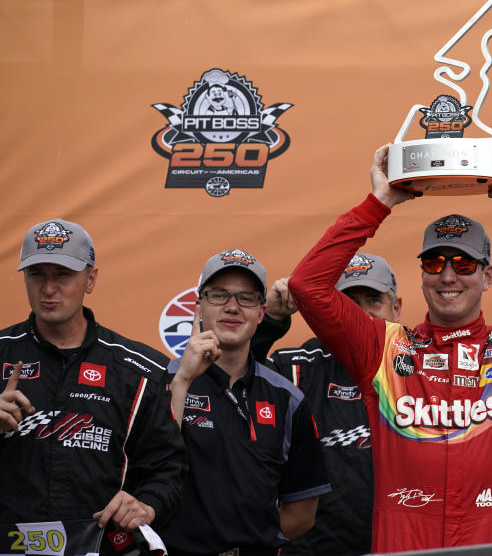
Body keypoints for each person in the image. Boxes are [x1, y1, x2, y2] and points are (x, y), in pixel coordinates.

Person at [287, 141, 492, 552]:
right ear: (421, 276)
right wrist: (378, 203)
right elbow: (307, 286)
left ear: (487, 277)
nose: (448, 276)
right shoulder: (384, 350)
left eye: (463, 263)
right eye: (434, 263)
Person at [0, 218, 185, 551]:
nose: (48, 288)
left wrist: (145, 505)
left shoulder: (140, 369)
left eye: (64, 275)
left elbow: (168, 469)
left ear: (91, 279)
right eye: (37, 274)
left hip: (102, 546)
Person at [162, 249, 329, 556]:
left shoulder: (288, 398)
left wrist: (252, 543)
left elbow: (303, 512)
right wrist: (183, 380)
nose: (232, 307)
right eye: (219, 296)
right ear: (198, 307)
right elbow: (150, 463)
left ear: (261, 313)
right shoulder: (162, 380)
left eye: (246, 298)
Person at [259, 254, 401, 556]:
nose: (360, 313)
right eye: (348, 302)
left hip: (400, 548)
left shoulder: (420, 369)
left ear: (396, 308)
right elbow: (231, 384)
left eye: (373, 300)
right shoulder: (294, 369)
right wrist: (270, 322)